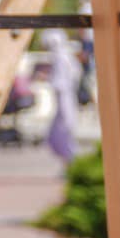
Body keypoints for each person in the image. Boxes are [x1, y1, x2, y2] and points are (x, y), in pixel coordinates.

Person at [40, 29, 80, 164]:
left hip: (65, 97)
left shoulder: (61, 57)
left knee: (65, 127)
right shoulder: (63, 56)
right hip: (64, 98)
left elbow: (60, 83)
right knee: (61, 129)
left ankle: (70, 158)